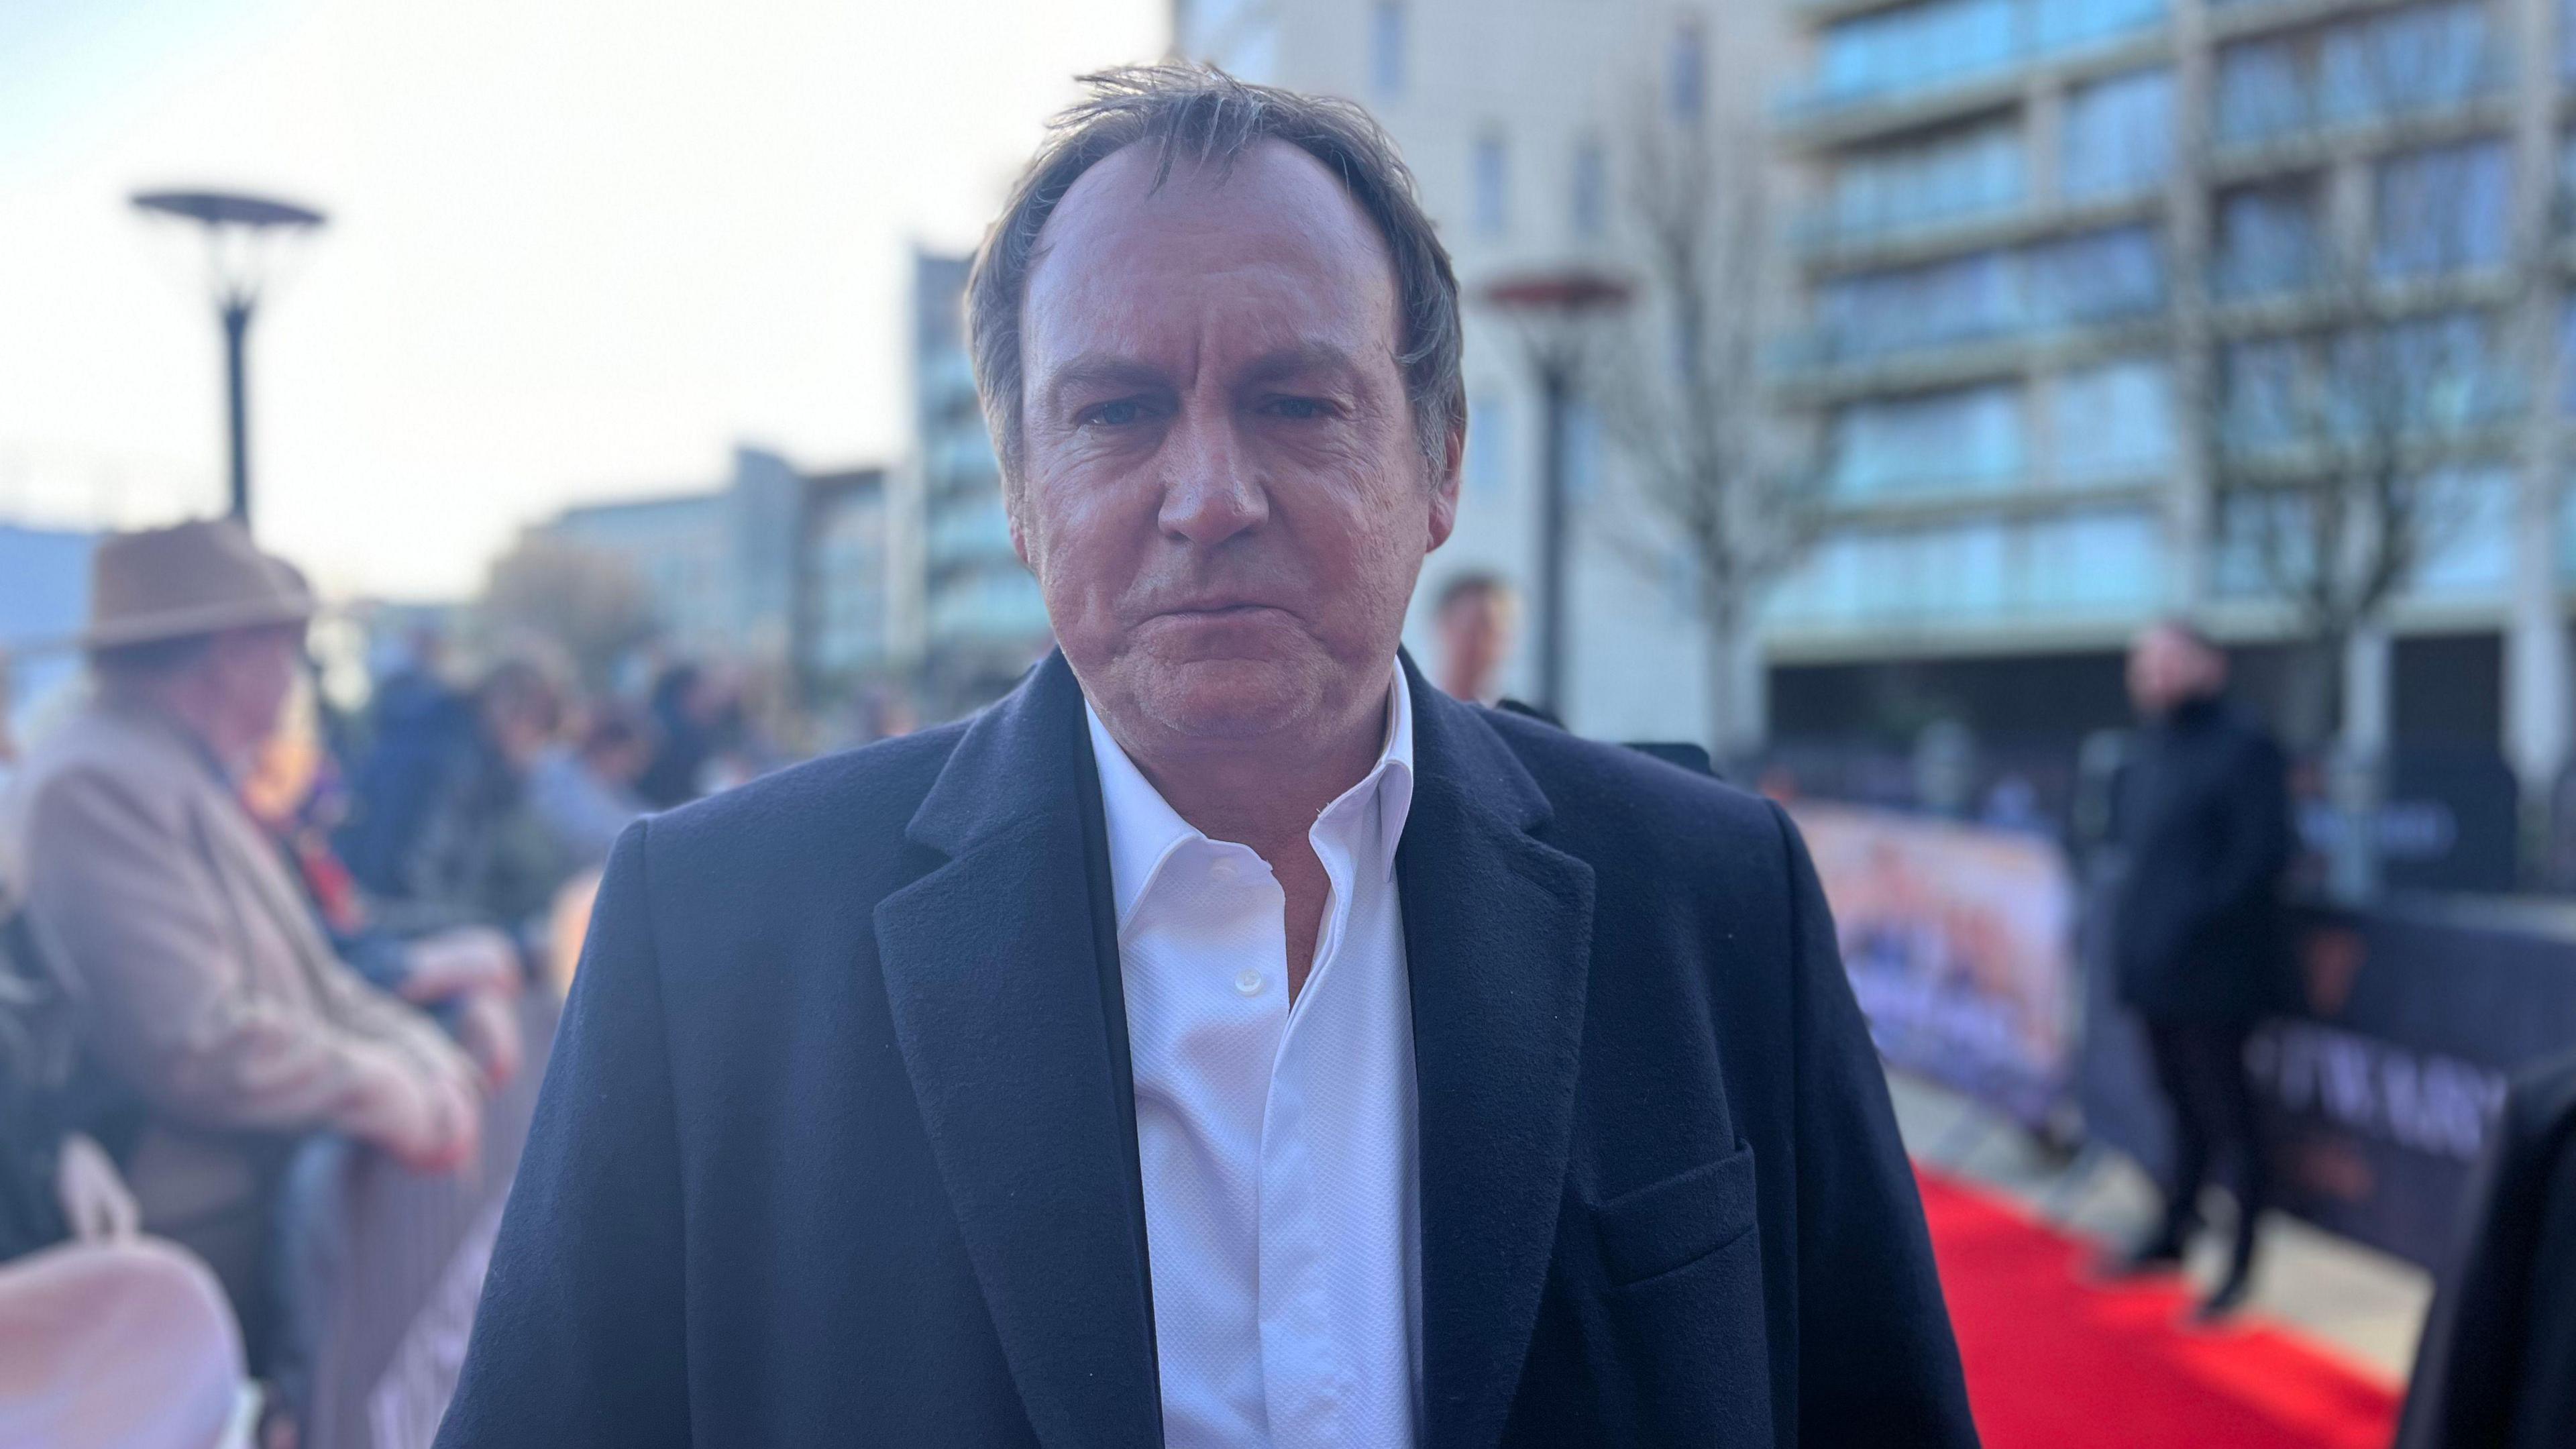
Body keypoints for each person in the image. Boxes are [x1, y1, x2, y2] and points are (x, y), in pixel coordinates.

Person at [440, 66, 1973, 1447]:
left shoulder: (1710, 901)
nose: (1209, 493)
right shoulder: (715, 940)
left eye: (1295, 401)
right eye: (1115, 411)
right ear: (1026, 490)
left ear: (1437, 462)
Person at [0, 520, 484, 1364]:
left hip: (243, 1253)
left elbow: (318, 982)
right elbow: (193, 1039)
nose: (295, 678)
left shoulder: (166, 772)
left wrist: (420, 1064)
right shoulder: (98, 781)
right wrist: (383, 1085)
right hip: (203, 1271)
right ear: (233, 654)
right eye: (287, 650)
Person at [2102, 619, 2292, 1320]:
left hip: (2217, 978)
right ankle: (2174, 1234)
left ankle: (2240, 1267)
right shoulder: (2149, 751)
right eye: (2140, 663)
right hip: (2156, 974)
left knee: (2230, 1119)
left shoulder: (2246, 746)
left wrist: (2190, 934)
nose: (2150, 675)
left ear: (2210, 665)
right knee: (2178, 1110)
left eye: (2165, 661)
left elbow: (2259, 858)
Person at [1430, 570, 1518, 704]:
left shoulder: (1527, 721)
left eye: (1491, 632)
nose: (1479, 643)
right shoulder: (1409, 712)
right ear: (1442, 626)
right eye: (1469, 630)